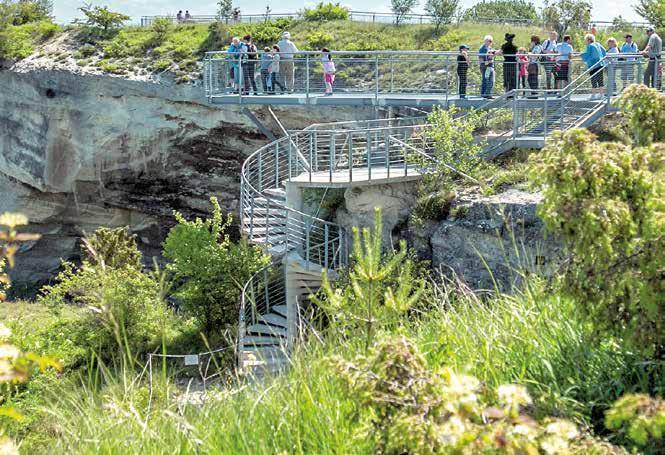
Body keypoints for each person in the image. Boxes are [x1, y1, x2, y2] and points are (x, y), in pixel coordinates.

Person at [580, 33, 607, 99]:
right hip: (600, 64)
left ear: (588, 40)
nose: (585, 42)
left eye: (586, 40)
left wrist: (579, 55)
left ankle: (593, 95)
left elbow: (587, 54)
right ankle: (601, 95)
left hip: (593, 65)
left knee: (594, 80)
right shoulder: (598, 44)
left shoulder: (590, 46)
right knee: (600, 80)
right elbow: (604, 51)